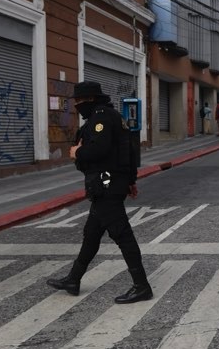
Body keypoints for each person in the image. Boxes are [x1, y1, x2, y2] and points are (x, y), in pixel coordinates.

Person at [46, 81, 152, 304]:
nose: (77, 106)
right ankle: (73, 279)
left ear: (90, 100)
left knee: (122, 235)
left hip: (105, 182)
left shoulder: (101, 117)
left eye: (79, 101)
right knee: (92, 233)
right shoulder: (115, 117)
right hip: (114, 181)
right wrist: (131, 180)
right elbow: (129, 151)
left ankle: (142, 286)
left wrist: (77, 151)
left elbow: (99, 150)